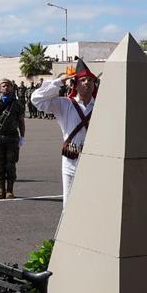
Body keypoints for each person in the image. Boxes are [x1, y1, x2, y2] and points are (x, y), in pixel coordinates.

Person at [32, 58, 98, 202]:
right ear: (75, 84)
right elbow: (36, 100)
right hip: (71, 161)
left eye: (90, 80)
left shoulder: (101, 106)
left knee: (94, 203)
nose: (87, 82)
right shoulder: (64, 104)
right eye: (83, 80)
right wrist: (59, 82)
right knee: (69, 204)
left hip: (95, 162)